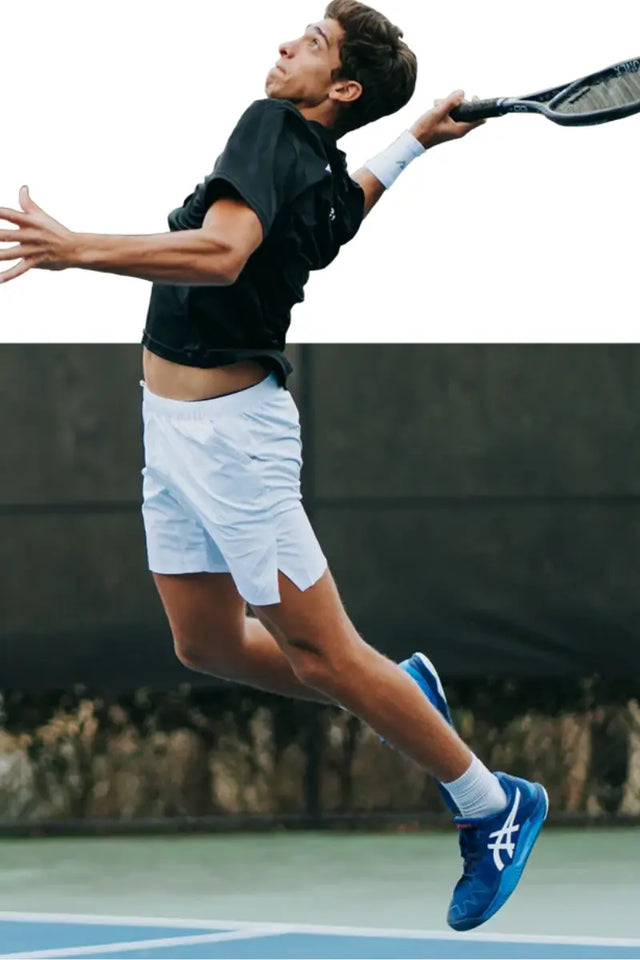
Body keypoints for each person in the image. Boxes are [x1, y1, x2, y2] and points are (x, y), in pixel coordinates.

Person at [0, 0, 547, 932]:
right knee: (206, 643)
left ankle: (491, 804)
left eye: (311, 43)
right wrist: (415, 140)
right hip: (170, 431)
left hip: (233, 447)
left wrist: (76, 248)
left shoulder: (272, 129)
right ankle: (397, 687)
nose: (284, 45)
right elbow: (345, 210)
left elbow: (221, 255)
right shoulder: (318, 167)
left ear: (338, 88)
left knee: (326, 655)